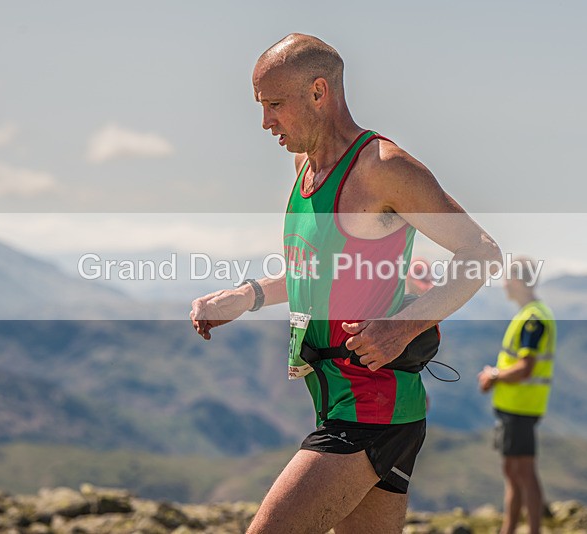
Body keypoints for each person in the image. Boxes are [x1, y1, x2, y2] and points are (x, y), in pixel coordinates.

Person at [191, 33, 501, 534]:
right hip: (337, 399)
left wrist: (404, 328)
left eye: (274, 105)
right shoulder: (305, 169)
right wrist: (245, 296)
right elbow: (319, 273)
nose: (265, 122)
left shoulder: (383, 169)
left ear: (319, 92)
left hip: (372, 405)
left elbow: (481, 253)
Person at [478, 258, 557, 534]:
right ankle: (508, 529)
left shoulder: (532, 318)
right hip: (515, 406)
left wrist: (494, 376)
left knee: (523, 471)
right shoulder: (531, 313)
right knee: (513, 471)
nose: (503, 285)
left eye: (507, 278)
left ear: (521, 281)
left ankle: (532, 530)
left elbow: (526, 367)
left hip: (521, 406)